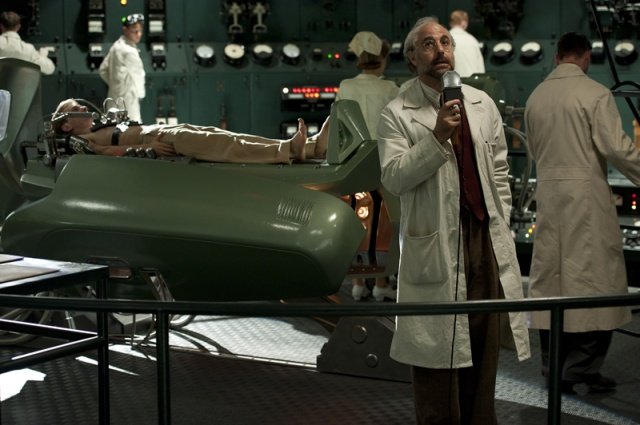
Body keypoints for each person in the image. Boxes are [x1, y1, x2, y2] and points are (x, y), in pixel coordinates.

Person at [377, 17, 530, 424]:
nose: (440, 49)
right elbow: (394, 176)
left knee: (482, 345)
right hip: (436, 243)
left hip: (482, 237)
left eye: (445, 41)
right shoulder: (397, 113)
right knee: (436, 355)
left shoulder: (482, 104)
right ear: (412, 58)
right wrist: (436, 138)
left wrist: (500, 218)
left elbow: (499, 172)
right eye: (428, 44)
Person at [525, 32, 640, 394]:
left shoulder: (535, 97)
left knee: (551, 285)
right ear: (586, 57)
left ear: (557, 57)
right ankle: (581, 367)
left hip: (548, 200)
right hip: (587, 202)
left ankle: (552, 366)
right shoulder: (595, 94)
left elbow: (534, 150)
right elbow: (617, 149)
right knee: (597, 284)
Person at [52, 98, 329, 163]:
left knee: (225, 136)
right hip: (158, 140)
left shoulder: (98, 126)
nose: (84, 108)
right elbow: (105, 153)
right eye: (76, 108)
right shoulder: (81, 140)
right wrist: (146, 148)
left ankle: (308, 147)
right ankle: (287, 150)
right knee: (223, 146)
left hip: (162, 130)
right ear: (66, 125)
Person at [337, 30, 400, 302]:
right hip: (383, 163)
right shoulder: (391, 89)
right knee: (383, 223)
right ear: (382, 59)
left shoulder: (346, 87)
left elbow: (339, 127)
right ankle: (382, 283)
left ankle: (358, 282)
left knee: (357, 219)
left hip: (353, 164)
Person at [99, 13, 146, 123]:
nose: (138, 34)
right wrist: (140, 95)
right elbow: (139, 77)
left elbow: (102, 70)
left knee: (111, 128)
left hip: (113, 98)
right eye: (135, 31)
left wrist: (115, 85)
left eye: (140, 31)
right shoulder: (130, 52)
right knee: (133, 130)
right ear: (125, 30)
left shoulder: (116, 45)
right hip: (128, 102)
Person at [449, 10, 485, 78]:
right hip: (471, 83)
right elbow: (480, 69)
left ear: (451, 23)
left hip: (451, 82)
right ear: (464, 23)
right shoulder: (472, 40)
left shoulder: (445, 39)